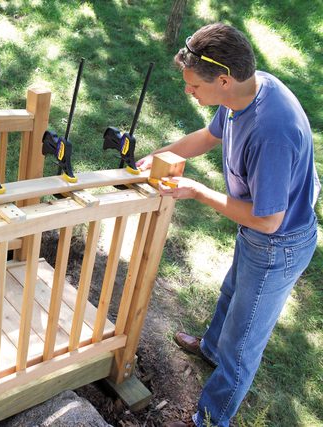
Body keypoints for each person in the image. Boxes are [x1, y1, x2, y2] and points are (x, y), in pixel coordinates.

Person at [137, 23, 320, 427]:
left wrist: (199, 191)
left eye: (194, 87)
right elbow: (207, 136)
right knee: (232, 292)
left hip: (278, 244)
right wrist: (159, 155)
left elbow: (268, 220)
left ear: (223, 80)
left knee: (243, 342)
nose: (189, 92)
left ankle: (208, 418)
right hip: (259, 235)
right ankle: (208, 349)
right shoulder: (245, 91)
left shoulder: (273, 132)